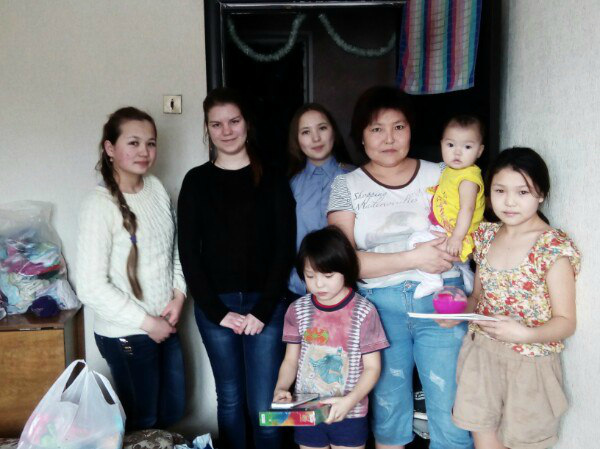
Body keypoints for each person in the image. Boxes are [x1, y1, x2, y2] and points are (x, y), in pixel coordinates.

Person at [328, 86, 473, 449]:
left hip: (442, 305)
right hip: (379, 310)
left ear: (411, 130)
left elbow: (470, 234)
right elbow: (344, 262)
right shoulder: (346, 185)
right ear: (361, 136)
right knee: (388, 412)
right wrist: (414, 259)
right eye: (377, 129)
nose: (389, 138)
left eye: (399, 127)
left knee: (452, 411)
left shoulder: (444, 173)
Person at [177, 88, 296, 449]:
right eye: (216, 124)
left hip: (267, 305)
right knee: (229, 400)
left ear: (247, 124)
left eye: (234, 121)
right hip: (216, 307)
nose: (226, 131)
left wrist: (263, 309)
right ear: (207, 128)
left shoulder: (272, 177)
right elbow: (188, 253)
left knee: (265, 405)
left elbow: (284, 247)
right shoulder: (196, 181)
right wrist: (217, 312)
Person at [439, 147, 580, 449]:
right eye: (500, 190)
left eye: (522, 192)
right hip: (481, 355)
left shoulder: (552, 247)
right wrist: (457, 311)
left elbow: (566, 322)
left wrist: (525, 334)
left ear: (541, 194)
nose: (510, 201)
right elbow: (478, 298)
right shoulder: (486, 236)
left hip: (530, 364)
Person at [76, 107, 187, 430]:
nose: (144, 152)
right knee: (143, 421)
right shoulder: (98, 205)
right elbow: (90, 286)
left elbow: (174, 249)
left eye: (150, 143)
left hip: (165, 323)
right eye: (133, 143)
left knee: (173, 411)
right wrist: (147, 323)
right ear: (110, 148)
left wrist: (179, 295)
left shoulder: (156, 188)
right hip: (127, 334)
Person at [273, 226, 389, 449]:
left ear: (345, 269)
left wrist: (349, 401)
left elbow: (372, 368)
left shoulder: (364, 311)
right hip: (307, 409)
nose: (318, 284)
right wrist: (281, 388)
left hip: (350, 413)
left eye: (328, 276)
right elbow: (290, 360)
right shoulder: (297, 310)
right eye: (310, 276)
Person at [406, 114, 486, 298]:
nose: (457, 153)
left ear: (479, 151)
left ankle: (432, 281)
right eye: (450, 145)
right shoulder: (451, 170)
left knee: (415, 242)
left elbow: (467, 209)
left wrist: (457, 238)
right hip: (451, 230)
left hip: (459, 234)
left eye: (467, 147)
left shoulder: (468, 178)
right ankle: (466, 274)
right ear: (441, 144)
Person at [287, 103, 354, 297]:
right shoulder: (291, 185)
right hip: (299, 289)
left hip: (346, 289)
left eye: (322, 128)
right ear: (297, 139)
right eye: (306, 132)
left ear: (333, 131)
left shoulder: (355, 177)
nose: (316, 138)